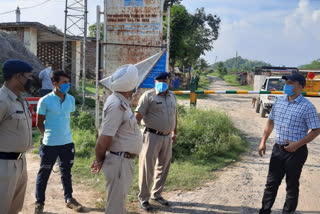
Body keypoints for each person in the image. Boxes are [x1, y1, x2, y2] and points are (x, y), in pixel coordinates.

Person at [258, 73, 320, 214]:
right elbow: (271, 121)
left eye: (290, 83)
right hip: (278, 150)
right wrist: (263, 141)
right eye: (286, 83)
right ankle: (264, 211)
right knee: (271, 184)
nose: (286, 86)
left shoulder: (307, 107)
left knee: (291, 186)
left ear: (300, 87)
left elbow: (316, 130)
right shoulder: (279, 101)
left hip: (296, 152)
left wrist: (297, 145)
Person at [91, 64, 143, 214]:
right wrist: (99, 159)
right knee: (115, 208)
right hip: (119, 161)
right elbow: (104, 138)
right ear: (130, 85)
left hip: (123, 161)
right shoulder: (116, 105)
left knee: (118, 204)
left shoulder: (122, 102)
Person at [34, 70, 82, 214]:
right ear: (55, 84)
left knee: (66, 172)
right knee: (44, 173)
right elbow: (39, 123)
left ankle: (69, 199)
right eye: (64, 82)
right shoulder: (45, 100)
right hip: (50, 144)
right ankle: (39, 203)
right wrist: (47, 136)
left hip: (67, 143)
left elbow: (66, 118)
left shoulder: (71, 100)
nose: (67, 85)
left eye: (68, 82)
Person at [135, 72, 177, 211]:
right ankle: (144, 198)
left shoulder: (172, 96)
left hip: (167, 137)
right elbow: (137, 117)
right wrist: (133, 136)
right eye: (159, 80)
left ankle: (157, 194)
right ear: (155, 82)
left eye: (165, 80)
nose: (163, 82)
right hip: (151, 136)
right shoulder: (148, 96)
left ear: (169, 82)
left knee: (163, 167)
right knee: (147, 168)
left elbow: (174, 115)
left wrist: (174, 132)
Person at [0, 59, 33, 214]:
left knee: (14, 209)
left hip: (20, 163)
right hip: (4, 165)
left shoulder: (20, 99)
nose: (30, 81)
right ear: (18, 76)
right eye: (28, 77)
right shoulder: (2, 100)